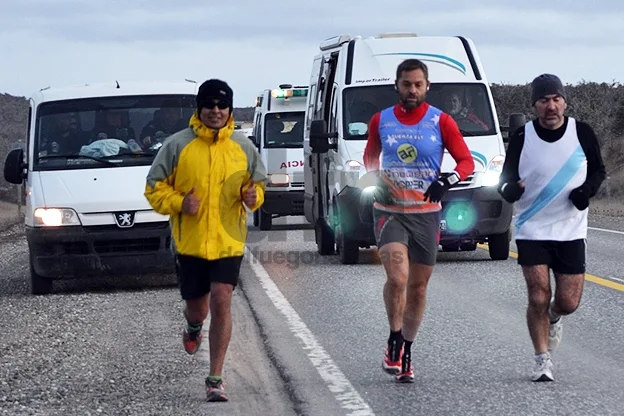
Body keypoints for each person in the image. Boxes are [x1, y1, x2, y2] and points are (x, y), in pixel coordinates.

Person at [144, 79, 267, 401]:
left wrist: (253, 197)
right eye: (209, 105)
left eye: (221, 105)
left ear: (229, 110)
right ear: (199, 108)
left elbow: (258, 187)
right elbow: (154, 187)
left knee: (221, 297)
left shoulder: (243, 146)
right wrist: (180, 203)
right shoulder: (177, 145)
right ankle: (194, 327)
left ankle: (215, 378)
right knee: (198, 309)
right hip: (191, 243)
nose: (215, 111)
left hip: (228, 240)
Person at [363, 59, 475, 383]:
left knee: (419, 288)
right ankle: (394, 338)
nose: (412, 90)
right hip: (390, 211)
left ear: (427, 86)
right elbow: (370, 155)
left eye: (418, 85)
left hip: (426, 215)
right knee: (397, 278)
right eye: (406, 84)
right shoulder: (380, 120)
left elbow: (466, 161)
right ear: (396, 86)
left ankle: (407, 350)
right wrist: (373, 177)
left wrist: (447, 180)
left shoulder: (441, 121)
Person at [498, 74, 606, 382]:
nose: (551, 106)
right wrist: (510, 191)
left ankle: (555, 318)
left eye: (556, 99)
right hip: (532, 227)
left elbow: (598, 169)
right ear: (534, 105)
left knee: (568, 302)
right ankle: (541, 360)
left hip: (570, 229)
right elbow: (505, 180)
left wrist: (586, 191)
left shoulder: (581, 132)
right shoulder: (522, 137)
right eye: (544, 100)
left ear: (564, 102)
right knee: (538, 296)